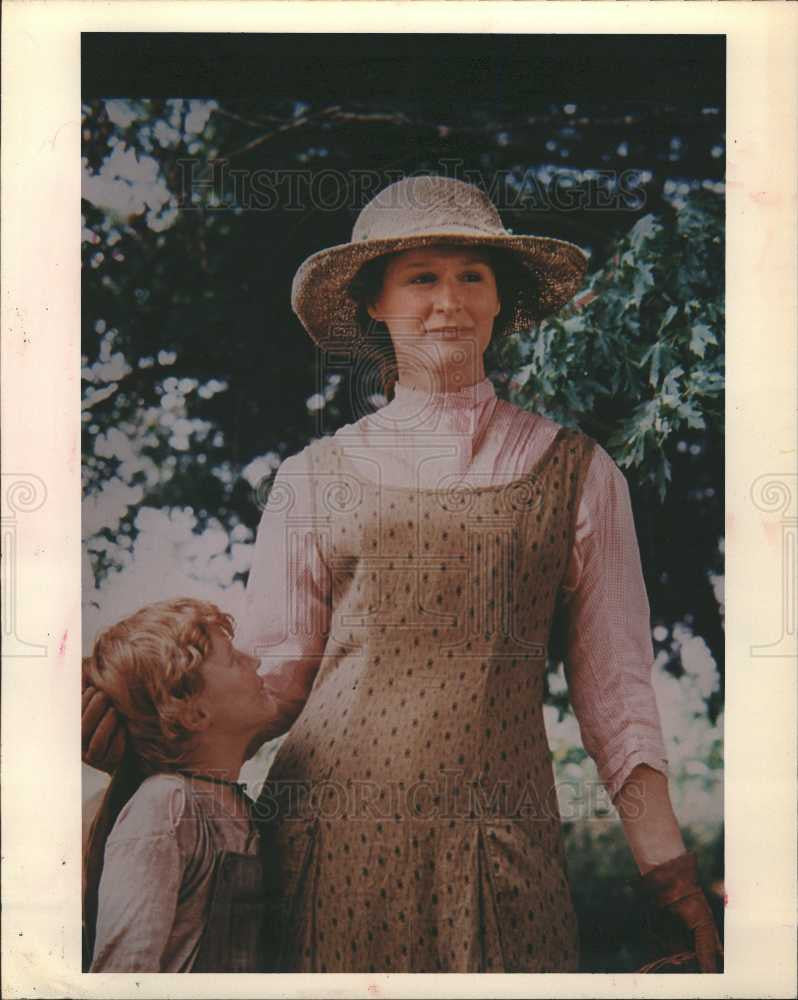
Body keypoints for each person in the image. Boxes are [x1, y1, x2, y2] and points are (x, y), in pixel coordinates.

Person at [83, 175, 722, 973]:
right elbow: (275, 683)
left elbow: (619, 698)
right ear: (374, 306)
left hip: (502, 848)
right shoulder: (312, 476)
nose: (447, 300)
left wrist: (670, 877)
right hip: (323, 843)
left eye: (471, 276)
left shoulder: (581, 475)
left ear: (499, 301)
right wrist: (149, 717)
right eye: (421, 277)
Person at [82, 598, 284, 972]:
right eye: (234, 659)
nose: (254, 662)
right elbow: (124, 975)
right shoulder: (166, 806)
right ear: (193, 712)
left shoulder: (239, 807)